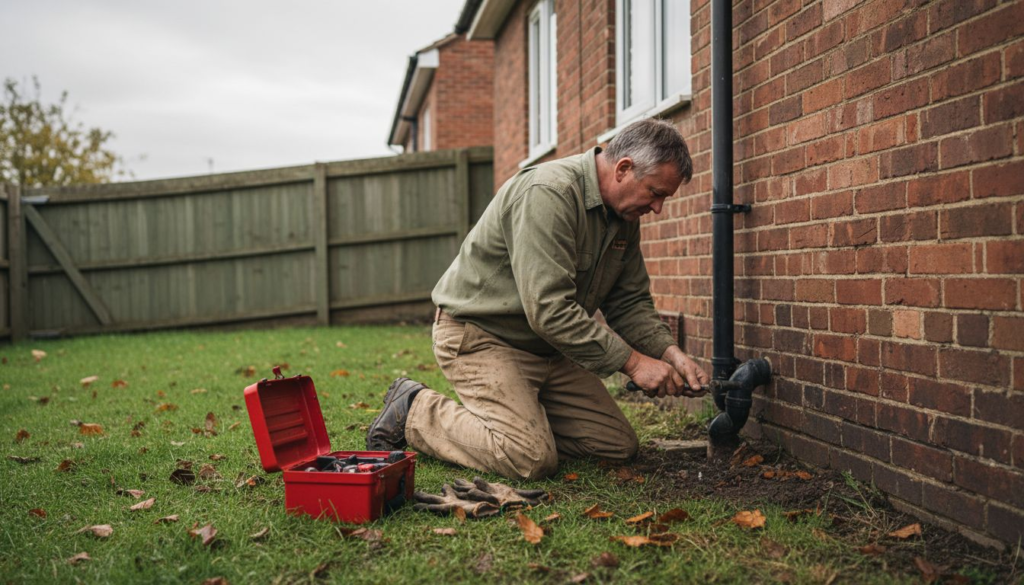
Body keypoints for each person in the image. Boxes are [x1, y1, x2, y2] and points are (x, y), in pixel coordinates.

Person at [367, 118, 709, 480]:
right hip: (483, 336)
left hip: (547, 347)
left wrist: (669, 353)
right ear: (624, 168)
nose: (657, 208)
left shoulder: (624, 215)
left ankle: (524, 422)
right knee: (529, 458)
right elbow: (549, 309)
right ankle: (415, 409)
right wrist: (635, 364)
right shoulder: (548, 192)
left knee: (616, 445)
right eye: (655, 193)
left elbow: (629, 302)